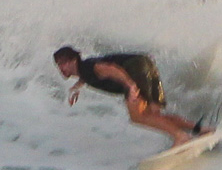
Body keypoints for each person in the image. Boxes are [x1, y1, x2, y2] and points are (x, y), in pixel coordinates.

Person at [52, 46, 211, 145]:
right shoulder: (85, 71)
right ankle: (201, 129)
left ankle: (181, 136)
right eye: (59, 64)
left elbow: (111, 69)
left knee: (137, 116)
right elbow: (91, 76)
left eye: (64, 62)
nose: (61, 67)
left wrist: (131, 86)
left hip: (136, 69)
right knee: (153, 114)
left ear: (74, 60)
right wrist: (76, 87)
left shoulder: (88, 67)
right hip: (145, 65)